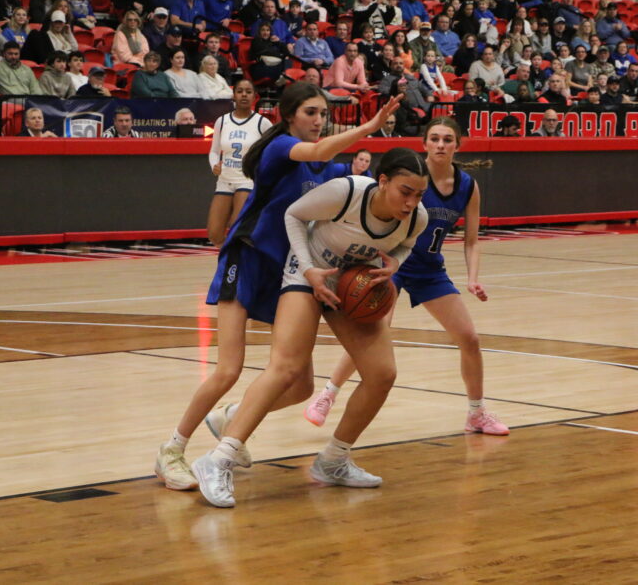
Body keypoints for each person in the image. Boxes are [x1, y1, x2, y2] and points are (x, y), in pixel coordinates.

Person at [153, 83, 401, 495]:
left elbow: (357, 190)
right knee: (229, 368)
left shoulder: (327, 170)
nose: (319, 121)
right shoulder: (279, 148)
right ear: (288, 116)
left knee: (300, 385)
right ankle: (171, 450)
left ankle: (230, 418)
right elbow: (318, 151)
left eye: (323, 114)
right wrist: (370, 126)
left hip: (288, 271)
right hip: (248, 257)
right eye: (310, 112)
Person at [193, 145, 428, 507]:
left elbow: (405, 246)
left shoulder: (416, 218)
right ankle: (218, 459)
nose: (411, 202)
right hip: (308, 273)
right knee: (286, 369)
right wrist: (307, 268)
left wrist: (394, 264)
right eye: (405, 192)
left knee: (382, 373)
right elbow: (294, 215)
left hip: (349, 285)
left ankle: (333, 460)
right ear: (383, 181)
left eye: (419, 195)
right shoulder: (347, 191)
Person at [307, 116, 508, 433]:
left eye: (447, 140)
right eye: (435, 138)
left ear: (458, 145)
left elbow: (471, 241)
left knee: (469, 338)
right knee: (374, 333)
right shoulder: (410, 178)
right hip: (390, 263)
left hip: (429, 269)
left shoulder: (468, 186)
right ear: (424, 143)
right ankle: (328, 394)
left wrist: (472, 278)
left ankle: (476, 413)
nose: (440, 145)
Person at [207, 79, 273, 246]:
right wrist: (214, 165)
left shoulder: (263, 123)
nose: (244, 95)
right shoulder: (222, 121)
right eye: (240, 91)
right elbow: (214, 151)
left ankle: (236, 261)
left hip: (247, 180)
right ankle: (229, 257)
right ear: (234, 95)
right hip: (224, 180)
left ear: (254, 96)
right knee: (214, 234)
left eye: (248, 92)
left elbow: (273, 151)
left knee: (237, 230)